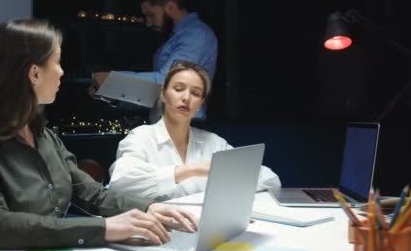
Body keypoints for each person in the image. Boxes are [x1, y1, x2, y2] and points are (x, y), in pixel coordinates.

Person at [0, 19, 198, 250]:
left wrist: (149, 208)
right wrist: (104, 229)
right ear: (35, 73)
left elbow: (92, 194)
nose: (62, 72)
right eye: (58, 62)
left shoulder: (45, 137)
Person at [108, 61, 281, 201]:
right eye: (178, 89)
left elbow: (269, 179)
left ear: (201, 103)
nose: (186, 98)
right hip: (156, 229)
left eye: (196, 93)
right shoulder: (141, 137)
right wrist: (193, 170)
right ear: (163, 94)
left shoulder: (214, 143)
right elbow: (120, 184)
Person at [91, 0, 217, 120]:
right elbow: (155, 96)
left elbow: (170, 82)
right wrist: (110, 93)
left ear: (170, 7)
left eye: (151, 15)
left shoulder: (196, 35)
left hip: (184, 129)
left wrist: (112, 81)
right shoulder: (177, 38)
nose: (148, 23)